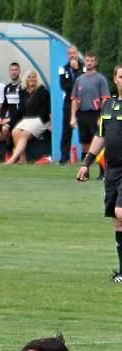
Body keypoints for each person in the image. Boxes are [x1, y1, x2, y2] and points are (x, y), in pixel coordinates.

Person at [77, 65, 122, 282]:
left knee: (121, 212)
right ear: (115, 79)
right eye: (121, 77)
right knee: (117, 220)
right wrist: (86, 163)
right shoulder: (108, 105)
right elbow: (100, 137)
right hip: (112, 171)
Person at [71, 52, 111, 179]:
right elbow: (74, 99)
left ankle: (102, 173)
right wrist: (72, 117)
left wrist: (102, 116)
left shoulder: (100, 79)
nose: (89, 63)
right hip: (82, 114)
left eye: (92, 60)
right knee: (85, 144)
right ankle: (85, 172)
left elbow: (105, 98)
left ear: (95, 62)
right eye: (87, 60)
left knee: (98, 143)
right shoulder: (79, 79)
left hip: (96, 115)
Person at [6, 70, 51, 165]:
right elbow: (20, 110)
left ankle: (13, 159)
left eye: (33, 77)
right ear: (26, 79)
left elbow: (49, 109)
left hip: (40, 120)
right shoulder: (23, 92)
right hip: (27, 120)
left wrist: (51, 123)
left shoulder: (43, 91)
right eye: (29, 77)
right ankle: (22, 160)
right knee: (15, 132)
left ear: (37, 78)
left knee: (24, 134)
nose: (31, 79)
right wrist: (9, 121)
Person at [0, 62, 23, 156]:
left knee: (5, 129)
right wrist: (3, 118)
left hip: (21, 117)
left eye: (16, 70)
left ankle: (13, 150)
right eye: (12, 70)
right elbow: (5, 106)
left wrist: (9, 119)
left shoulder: (23, 86)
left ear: (19, 71)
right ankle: (9, 148)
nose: (14, 72)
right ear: (9, 72)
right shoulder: (7, 88)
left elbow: (23, 106)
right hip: (10, 118)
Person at [59, 46, 85, 165]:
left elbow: (84, 84)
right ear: (67, 55)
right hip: (69, 103)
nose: (72, 55)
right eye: (69, 53)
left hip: (84, 102)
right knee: (66, 131)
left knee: (85, 130)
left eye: (74, 53)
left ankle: (87, 157)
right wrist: (75, 86)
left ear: (77, 53)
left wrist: (76, 71)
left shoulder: (83, 68)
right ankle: (64, 158)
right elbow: (64, 86)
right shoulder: (63, 69)